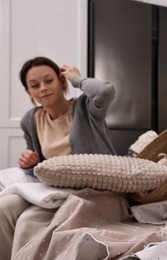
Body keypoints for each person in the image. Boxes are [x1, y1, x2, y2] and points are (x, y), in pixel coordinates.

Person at [0, 56, 116, 259]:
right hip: (53, 189)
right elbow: (38, 166)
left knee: (28, 221)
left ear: (61, 81)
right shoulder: (31, 119)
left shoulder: (86, 108)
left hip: (90, 190)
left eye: (49, 80)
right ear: (29, 92)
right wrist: (29, 162)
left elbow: (105, 91)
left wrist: (76, 78)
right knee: (3, 208)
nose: (43, 88)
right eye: (35, 85)